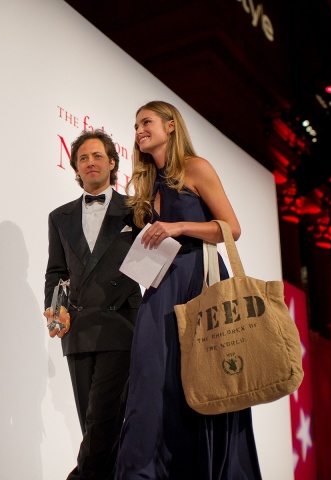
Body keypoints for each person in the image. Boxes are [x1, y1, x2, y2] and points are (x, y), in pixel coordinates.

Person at [115, 101, 262, 479]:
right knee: (153, 378)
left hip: (199, 280)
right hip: (161, 286)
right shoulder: (149, 184)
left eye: (146, 122)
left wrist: (180, 227)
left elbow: (231, 227)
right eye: (135, 125)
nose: (138, 131)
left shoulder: (196, 168)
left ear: (170, 126)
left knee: (207, 376)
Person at [44, 130, 142, 480]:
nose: (90, 162)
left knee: (101, 422)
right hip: (78, 330)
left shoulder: (136, 209)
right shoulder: (59, 216)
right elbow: (57, 272)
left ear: (112, 162)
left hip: (121, 325)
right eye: (83, 158)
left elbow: (155, 258)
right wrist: (55, 307)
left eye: (97, 156)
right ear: (75, 167)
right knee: (95, 427)